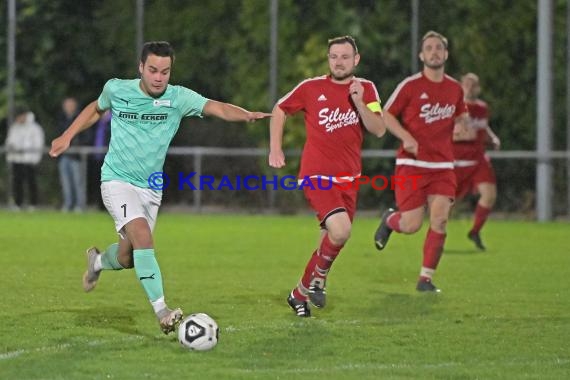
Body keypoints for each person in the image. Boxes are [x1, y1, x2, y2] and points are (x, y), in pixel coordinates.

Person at [49, 41, 271, 334]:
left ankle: (98, 261)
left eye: (165, 72)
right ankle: (163, 311)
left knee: (128, 257)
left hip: (151, 188)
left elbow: (215, 107)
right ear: (140, 67)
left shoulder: (178, 98)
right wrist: (67, 135)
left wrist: (245, 114)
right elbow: (95, 108)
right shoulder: (117, 89)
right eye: (152, 70)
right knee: (143, 236)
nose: (158, 77)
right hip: (116, 180)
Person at [269, 35, 386, 317]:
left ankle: (299, 294)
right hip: (316, 175)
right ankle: (318, 278)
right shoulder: (311, 87)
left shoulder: (366, 89)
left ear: (356, 60)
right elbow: (280, 109)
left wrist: (358, 102)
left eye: (345, 57)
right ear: (328, 59)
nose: (339, 61)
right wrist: (275, 148)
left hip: (349, 178)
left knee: (333, 237)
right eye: (334, 56)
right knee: (341, 230)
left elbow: (379, 128)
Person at [373, 31, 469, 293]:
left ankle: (425, 279)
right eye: (429, 48)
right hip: (412, 164)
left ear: (446, 54)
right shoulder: (411, 85)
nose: (434, 52)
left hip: (442, 167)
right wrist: (406, 137)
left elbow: (462, 116)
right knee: (411, 225)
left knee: (440, 220)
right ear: (421, 55)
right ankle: (391, 220)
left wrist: (461, 126)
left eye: (439, 47)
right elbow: (386, 114)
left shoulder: (454, 88)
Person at [453, 73, 500, 250]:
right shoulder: (454, 107)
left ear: (478, 88)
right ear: (461, 86)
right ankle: (435, 238)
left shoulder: (482, 108)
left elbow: (484, 126)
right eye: (467, 84)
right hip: (458, 162)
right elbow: (443, 132)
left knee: (489, 195)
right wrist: (461, 135)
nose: (471, 88)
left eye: (474, 85)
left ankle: (475, 231)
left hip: (479, 159)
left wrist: (492, 138)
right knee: (448, 205)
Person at [5, 107, 45, 211]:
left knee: (31, 183)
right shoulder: (14, 128)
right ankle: (18, 203)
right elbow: (10, 141)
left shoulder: (35, 128)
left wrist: (35, 159)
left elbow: (38, 143)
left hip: (29, 160)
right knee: (17, 183)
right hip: (17, 160)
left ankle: (33, 204)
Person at [56, 97, 91, 212]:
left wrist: (77, 145)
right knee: (65, 183)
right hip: (64, 156)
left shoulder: (80, 119)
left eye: (70, 105)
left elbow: (86, 136)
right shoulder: (62, 120)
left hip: (76, 157)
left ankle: (79, 205)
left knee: (78, 182)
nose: (68, 108)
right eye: (66, 105)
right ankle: (68, 204)